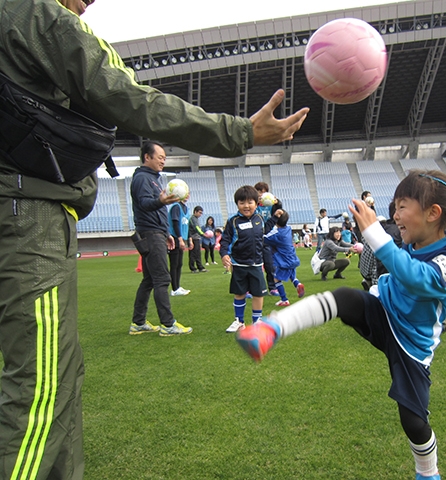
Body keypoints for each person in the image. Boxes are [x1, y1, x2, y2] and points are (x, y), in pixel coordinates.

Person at [0, 1, 309, 477]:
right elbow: (131, 98)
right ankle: (157, 321)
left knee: (55, 377)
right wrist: (240, 131)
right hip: (26, 214)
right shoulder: (35, 15)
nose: (89, 3)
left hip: (27, 206)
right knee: (41, 389)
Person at [236, 169, 446, 480]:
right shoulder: (412, 243)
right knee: (344, 298)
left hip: (412, 346)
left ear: (432, 213)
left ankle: (428, 473)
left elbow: (417, 279)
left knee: (413, 421)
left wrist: (375, 235)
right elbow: (399, 269)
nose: (394, 214)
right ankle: (269, 330)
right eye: (395, 206)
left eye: (402, 207)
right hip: (384, 313)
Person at [130, 141, 194, 336]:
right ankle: (168, 325)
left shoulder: (154, 179)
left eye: (164, 158)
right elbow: (144, 204)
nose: (163, 161)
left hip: (155, 233)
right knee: (161, 279)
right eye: (160, 157)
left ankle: (138, 322)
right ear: (147, 157)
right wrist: (160, 201)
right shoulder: (142, 178)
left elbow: (157, 210)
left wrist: (166, 234)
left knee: (149, 280)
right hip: (150, 233)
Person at [220, 185, 267, 333]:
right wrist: (224, 254)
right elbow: (225, 240)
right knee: (239, 293)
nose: (246, 206)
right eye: (242, 203)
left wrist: (278, 207)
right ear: (237, 204)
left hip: (256, 264)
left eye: (249, 202)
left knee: (258, 293)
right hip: (239, 264)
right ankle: (239, 321)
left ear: (256, 203)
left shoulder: (260, 219)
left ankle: (257, 321)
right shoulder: (233, 221)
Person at [264, 210, 305, 306]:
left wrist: (272, 220)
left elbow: (264, 237)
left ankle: (284, 299)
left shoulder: (277, 233)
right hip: (292, 258)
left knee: (276, 279)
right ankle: (298, 284)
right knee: (292, 276)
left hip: (284, 261)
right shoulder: (288, 229)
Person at [255, 182, 282, 295]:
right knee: (253, 265)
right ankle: (253, 288)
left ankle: (272, 288)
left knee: (270, 265)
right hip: (255, 238)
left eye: (264, 191)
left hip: (267, 238)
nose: (262, 194)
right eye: (259, 191)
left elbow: (279, 211)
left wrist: (278, 202)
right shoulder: (253, 205)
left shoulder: (271, 205)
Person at [168, 195, 192, 296]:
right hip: (174, 238)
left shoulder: (186, 208)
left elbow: (187, 225)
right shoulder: (176, 207)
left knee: (179, 264)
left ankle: (177, 286)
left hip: (182, 238)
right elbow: (175, 223)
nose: (187, 196)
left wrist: (189, 239)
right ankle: (174, 289)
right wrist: (180, 238)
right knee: (174, 264)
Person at [188, 205, 208, 273]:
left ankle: (200, 267)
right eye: (199, 212)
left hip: (197, 238)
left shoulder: (196, 219)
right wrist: (203, 234)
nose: (200, 214)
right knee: (193, 253)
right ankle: (192, 268)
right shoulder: (192, 218)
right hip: (193, 238)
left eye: (201, 213)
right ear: (195, 212)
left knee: (198, 253)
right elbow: (196, 228)